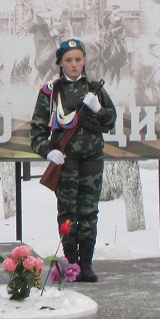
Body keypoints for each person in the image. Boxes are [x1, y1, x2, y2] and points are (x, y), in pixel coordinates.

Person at [29, 38, 118, 283]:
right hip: (65, 160)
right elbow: (36, 131)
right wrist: (47, 151)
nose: (74, 64)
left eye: (78, 59)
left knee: (89, 212)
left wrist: (98, 108)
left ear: (84, 61)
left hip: (92, 159)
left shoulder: (94, 89)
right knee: (68, 213)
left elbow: (110, 121)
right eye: (68, 60)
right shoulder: (50, 91)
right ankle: (71, 264)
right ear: (60, 63)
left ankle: (86, 265)